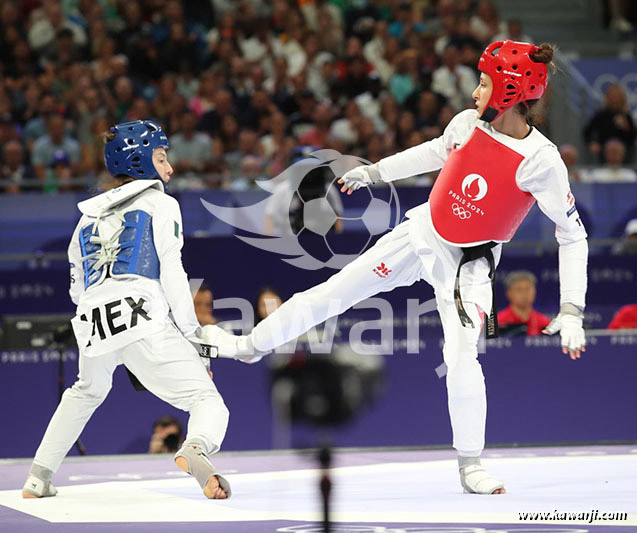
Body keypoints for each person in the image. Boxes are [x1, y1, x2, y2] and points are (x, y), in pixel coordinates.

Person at [204, 41, 588, 495]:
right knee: (334, 292)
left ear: (509, 91)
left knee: (462, 356)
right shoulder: (467, 123)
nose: (475, 93)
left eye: (484, 84)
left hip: (467, 269)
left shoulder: (541, 161)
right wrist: (375, 172)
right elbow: (434, 152)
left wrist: (571, 309)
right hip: (420, 235)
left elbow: (572, 235)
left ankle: (470, 465)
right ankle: (249, 345)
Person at [22, 120, 231, 500]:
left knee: (86, 390)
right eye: (162, 158)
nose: (170, 168)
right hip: (141, 312)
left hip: (92, 321)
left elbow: (77, 290)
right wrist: (193, 337)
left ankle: (38, 477)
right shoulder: (161, 203)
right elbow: (172, 270)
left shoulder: (85, 219)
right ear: (140, 161)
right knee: (206, 400)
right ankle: (195, 448)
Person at [497, 271, 551, 336]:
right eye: (519, 289)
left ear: (534, 292)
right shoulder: (498, 321)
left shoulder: (544, 322)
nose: (524, 293)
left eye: (528, 289)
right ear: (508, 293)